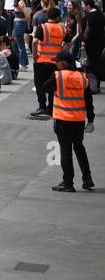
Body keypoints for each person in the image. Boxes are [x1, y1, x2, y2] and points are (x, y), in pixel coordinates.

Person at [50, 50, 95, 193]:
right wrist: (91, 119)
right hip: (78, 120)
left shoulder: (57, 76)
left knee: (65, 150)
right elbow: (89, 101)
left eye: (57, 62)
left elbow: (45, 87)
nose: (55, 64)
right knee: (79, 147)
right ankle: (87, 178)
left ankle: (68, 182)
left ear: (64, 63)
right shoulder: (83, 78)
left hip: (63, 120)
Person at [31, 6, 67, 119]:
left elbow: (35, 42)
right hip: (56, 62)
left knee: (39, 84)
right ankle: (51, 107)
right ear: (57, 17)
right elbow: (68, 42)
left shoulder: (43, 27)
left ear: (48, 16)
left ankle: (42, 106)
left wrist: (34, 55)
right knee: (52, 85)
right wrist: (61, 53)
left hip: (41, 61)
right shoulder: (62, 29)